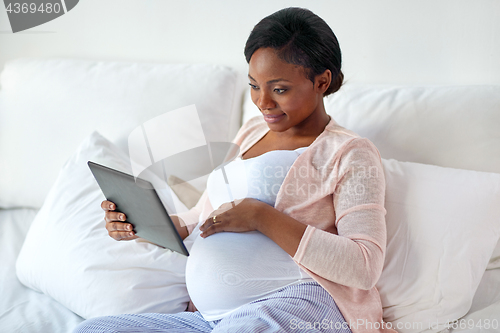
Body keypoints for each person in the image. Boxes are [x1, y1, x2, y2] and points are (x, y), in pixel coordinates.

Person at [74, 7, 396, 333]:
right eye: (254, 85)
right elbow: (202, 218)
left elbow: (364, 266)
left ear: (321, 81)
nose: (263, 102)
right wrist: (141, 224)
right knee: (90, 330)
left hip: (300, 301)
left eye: (279, 89)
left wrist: (261, 216)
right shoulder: (251, 133)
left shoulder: (350, 152)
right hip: (213, 318)